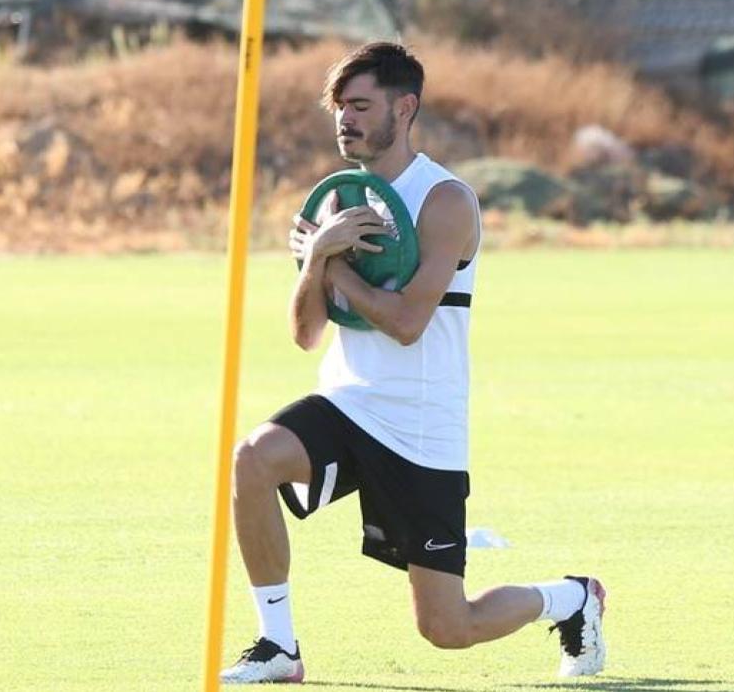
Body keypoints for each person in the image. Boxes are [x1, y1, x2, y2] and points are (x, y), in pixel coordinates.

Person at [221, 41, 606, 684]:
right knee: (252, 458)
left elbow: (405, 324)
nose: (345, 119)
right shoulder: (335, 204)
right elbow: (306, 335)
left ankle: (573, 599)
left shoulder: (444, 201)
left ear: (405, 108)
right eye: (340, 107)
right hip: (349, 400)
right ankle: (278, 646)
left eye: (361, 105)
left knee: (447, 629)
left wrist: (335, 263)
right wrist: (316, 259)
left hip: (422, 429)